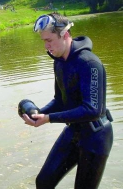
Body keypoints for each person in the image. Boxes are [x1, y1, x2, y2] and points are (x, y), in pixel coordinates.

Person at [21, 13, 113, 189]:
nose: (46, 46)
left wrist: (49, 119)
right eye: (43, 41)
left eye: (49, 40)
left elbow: (92, 109)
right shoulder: (59, 62)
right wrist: (40, 114)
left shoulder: (89, 63)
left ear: (65, 34)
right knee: (43, 182)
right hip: (73, 132)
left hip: (96, 137)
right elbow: (60, 100)